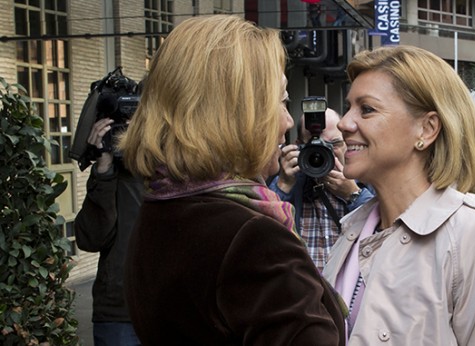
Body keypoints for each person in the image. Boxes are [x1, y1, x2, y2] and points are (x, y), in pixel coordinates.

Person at [117, 15, 345, 345]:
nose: (285, 122)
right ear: (236, 115)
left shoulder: (159, 209)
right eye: (281, 102)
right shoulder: (254, 239)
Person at [323, 45, 475, 345]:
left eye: (366, 109)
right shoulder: (354, 226)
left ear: (427, 129)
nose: (344, 123)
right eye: (349, 107)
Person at [269, 108, 374, 270]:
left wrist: (353, 194)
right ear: (298, 147)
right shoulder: (289, 182)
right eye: (314, 145)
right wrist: (283, 185)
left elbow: (383, 230)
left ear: (347, 143)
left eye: (334, 144)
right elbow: (264, 231)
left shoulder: (366, 180)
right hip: (303, 290)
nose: (324, 152)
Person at [74, 117, 143, 346]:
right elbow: (90, 239)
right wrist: (103, 167)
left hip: (175, 313)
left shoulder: (190, 169)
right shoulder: (114, 172)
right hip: (119, 314)